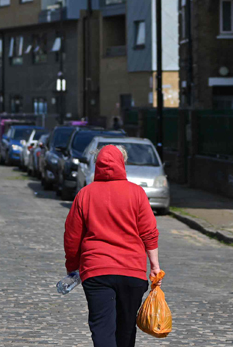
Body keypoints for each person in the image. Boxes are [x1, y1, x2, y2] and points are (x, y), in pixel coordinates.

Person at [64, 145, 161, 347]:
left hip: (96, 271)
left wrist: (72, 267)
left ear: (97, 164)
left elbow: (72, 237)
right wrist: (155, 266)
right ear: (122, 164)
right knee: (126, 329)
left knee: (102, 328)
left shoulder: (85, 194)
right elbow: (149, 232)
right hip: (131, 272)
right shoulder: (137, 193)